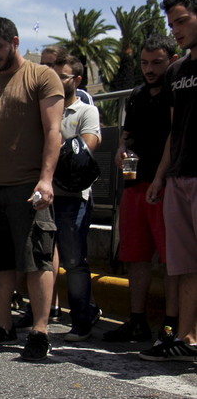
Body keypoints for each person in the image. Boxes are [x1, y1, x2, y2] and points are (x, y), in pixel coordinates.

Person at [0, 17, 63, 361]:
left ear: (16, 41)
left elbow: (53, 131)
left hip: (29, 185)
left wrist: (46, 179)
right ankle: (2, 325)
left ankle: (39, 331)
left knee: (36, 260)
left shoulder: (42, 76)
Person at [104, 34, 180, 344]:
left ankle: (171, 325)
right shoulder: (136, 95)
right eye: (145, 63)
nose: (149, 69)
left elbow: (175, 138)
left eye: (157, 63)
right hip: (134, 183)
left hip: (165, 185)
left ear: (172, 60)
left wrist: (161, 178)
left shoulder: (177, 93)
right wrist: (121, 148)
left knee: (171, 259)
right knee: (135, 256)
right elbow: (126, 135)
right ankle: (137, 321)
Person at [140, 0, 197, 362]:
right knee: (186, 264)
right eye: (171, 23)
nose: (175, 29)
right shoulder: (177, 71)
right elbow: (174, 133)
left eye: (182, 21)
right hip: (179, 177)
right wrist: (161, 177)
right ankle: (187, 339)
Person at [49, 55, 102, 341]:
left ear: (77, 81)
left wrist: (56, 147)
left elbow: (88, 146)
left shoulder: (85, 112)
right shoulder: (47, 110)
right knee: (43, 259)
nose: (57, 81)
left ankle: (82, 317)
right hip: (46, 194)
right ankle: (40, 315)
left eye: (63, 76)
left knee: (74, 260)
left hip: (73, 197)